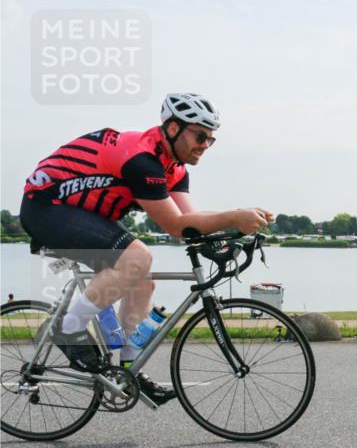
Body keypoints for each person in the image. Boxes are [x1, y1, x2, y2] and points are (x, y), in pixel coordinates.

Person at [19, 93, 273, 404]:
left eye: (211, 139)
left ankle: (128, 369)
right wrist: (234, 217)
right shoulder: (143, 161)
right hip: (46, 206)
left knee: (144, 282)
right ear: (173, 129)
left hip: (88, 213)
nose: (205, 144)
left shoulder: (174, 169)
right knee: (139, 257)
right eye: (200, 135)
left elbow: (190, 220)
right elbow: (175, 227)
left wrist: (234, 228)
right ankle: (67, 326)